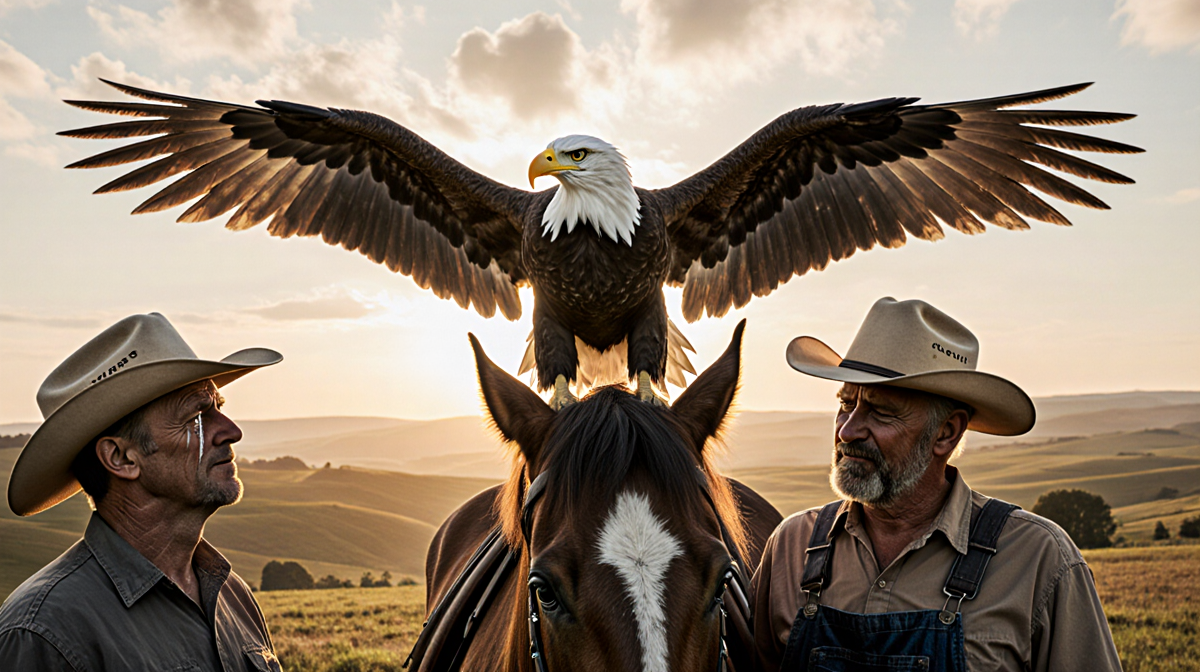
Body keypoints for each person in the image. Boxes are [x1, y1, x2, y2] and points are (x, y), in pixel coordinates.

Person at [752, 297, 1122, 671]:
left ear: (946, 433)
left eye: (881, 411)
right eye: (846, 404)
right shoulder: (791, 547)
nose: (847, 430)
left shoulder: (1038, 560)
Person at [0, 313, 284, 671]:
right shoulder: (44, 634)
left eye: (218, 408)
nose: (231, 431)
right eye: (197, 416)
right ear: (120, 458)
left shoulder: (232, 595)